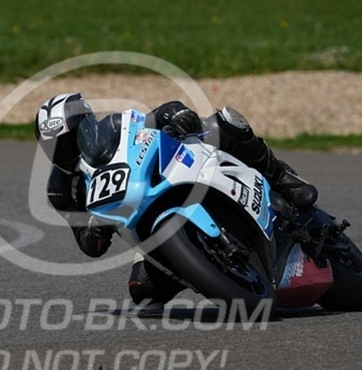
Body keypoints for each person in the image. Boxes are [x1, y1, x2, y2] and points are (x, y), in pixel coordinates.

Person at [34, 93, 318, 308]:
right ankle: (205, 268)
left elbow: (159, 114)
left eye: (70, 139)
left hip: (171, 178)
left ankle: (283, 178)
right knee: (142, 291)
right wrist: (94, 231)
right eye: (53, 146)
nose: (63, 150)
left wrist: (178, 114)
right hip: (142, 230)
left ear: (88, 125)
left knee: (222, 123)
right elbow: (88, 246)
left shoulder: (115, 126)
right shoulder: (59, 190)